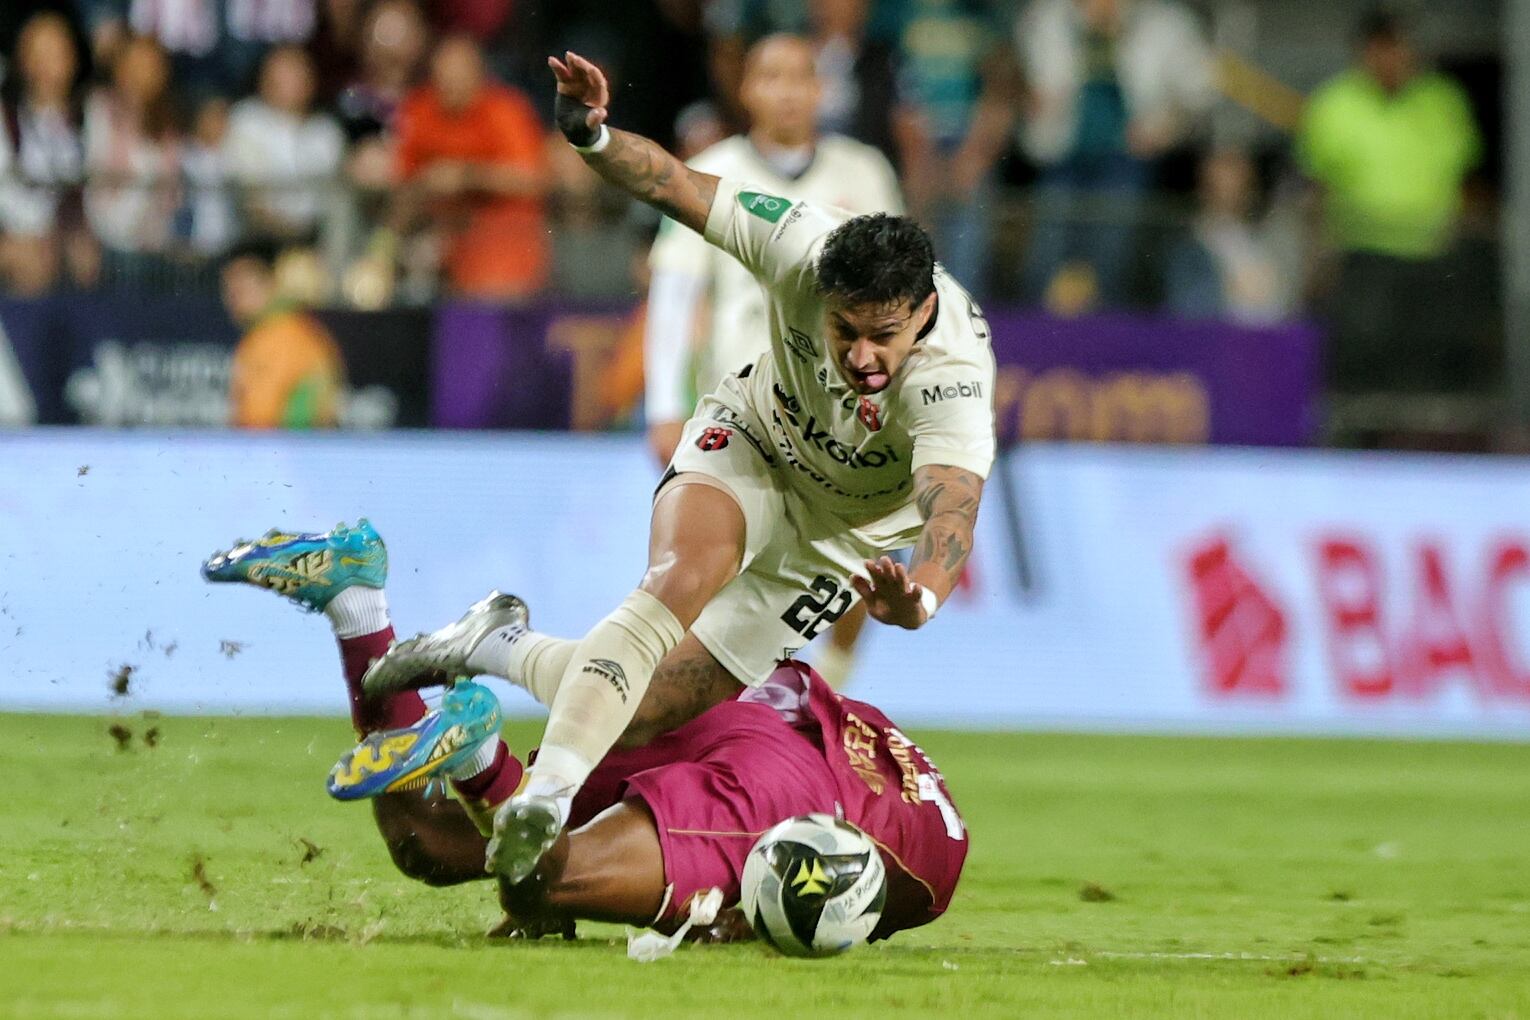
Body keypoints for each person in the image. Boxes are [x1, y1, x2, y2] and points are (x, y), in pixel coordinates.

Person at [361, 49, 995, 891]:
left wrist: (917, 599)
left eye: (885, 334)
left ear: (921, 311)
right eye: (846, 332)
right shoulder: (799, 240)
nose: (865, 357)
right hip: (756, 436)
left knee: (652, 707)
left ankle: (497, 644)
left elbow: (951, 507)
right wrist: (590, 134)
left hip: (842, 532)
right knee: (684, 573)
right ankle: (542, 799)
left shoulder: (956, 371)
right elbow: (671, 184)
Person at [201, 520, 967, 939]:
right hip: (780, 789)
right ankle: (477, 754)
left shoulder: (917, 816)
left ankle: (358, 605)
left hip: (752, 697)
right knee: (548, 881)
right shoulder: (918, 876)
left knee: (428, 844)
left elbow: (815, 671)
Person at [644, 32, 904, 688]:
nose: (787, 90)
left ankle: (831, 686)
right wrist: (662, 406)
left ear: (821, 89)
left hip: (837, 409)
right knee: (714, 570)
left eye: (800, 76)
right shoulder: (709, 170)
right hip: (739, 410)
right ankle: (706, 704)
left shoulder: (863, 173)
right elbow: (675, 295)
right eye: (771, 76)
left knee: (859, 558)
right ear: (748, 89)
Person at [1297, 9, 1482, 392]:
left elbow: (1468, 182)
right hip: (1365, 258)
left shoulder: (1443, 101)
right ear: (1367, 51)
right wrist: (1317, 260)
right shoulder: (1333, 105)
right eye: (1388, 47)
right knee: (1363, 364)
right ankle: (1354, 446)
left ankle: (1426, 445)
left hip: (1435, 258)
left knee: (1432, 365)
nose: (1399, 57)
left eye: (1403, 46)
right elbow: (1316, 191)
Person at [1017, 0, 1215, 311]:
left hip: (1125, 161)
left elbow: (1201, 89)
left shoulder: (1165, 22)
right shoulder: (1049, 17)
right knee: (1047, 254)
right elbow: (1021, 75)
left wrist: (1167, 127)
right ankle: (1039, 341)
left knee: (1111, 258)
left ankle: (1106, 342)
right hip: (1062, 158)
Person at [389, 33, 550, 301]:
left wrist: (467, 176)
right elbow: (401, 181)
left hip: (502, 243)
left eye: (459, 73)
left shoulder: (506, 110)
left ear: (479, 73)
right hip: (435, 238)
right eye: (442, 74)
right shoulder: (419, 109)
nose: (449, 82)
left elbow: (533, 179)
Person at [0, 11, 94, 295]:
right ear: (22, 60)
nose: (46, 65)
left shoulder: (91, 116)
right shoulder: (6, 119)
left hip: (64, 252)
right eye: (38, 54)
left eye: (56, 52)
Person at [223, 44, 344, 241]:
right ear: (265, 79)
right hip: (256, 239)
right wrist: (289, 234)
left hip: (318, 239)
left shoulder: (327, 132)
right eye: (285, 73)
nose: (295, 80)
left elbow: (335, 195)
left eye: (300, 72)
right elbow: (249, 196)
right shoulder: (245, 121)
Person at [1164, 148, 1295, 326]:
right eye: (1220, 179)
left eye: (1240, 178)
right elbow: (1192, 310)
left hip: (1270, 337)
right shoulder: (1190, 243)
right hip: (1220, 338)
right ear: (1204, 186)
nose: (1230, 187)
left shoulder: (1265, 235)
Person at [221, 239, 345, 428]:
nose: (233, 297)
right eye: (229, 288)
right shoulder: (282, 328)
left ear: (272, 282)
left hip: (290, 449)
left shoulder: (280, 335)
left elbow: (259, 418)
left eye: (242, 287)